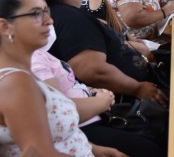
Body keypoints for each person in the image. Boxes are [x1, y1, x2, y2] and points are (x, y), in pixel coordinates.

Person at [0, 0, 123, 156]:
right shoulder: (16, 83)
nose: (49, 20)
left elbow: (45, 134)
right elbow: (38, 153)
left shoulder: (20, 72)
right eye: (36, 14)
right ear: (5, 26)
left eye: (46, 11)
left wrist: (92, 149)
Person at [28, 0, 167, 106]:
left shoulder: (60, 12)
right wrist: (137, 88)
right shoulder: (72, 19)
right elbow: (93, 71)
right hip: (119, 101)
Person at [30, 25, 163, 157]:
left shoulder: (38, 53)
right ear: (9, 25)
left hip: (94, 115)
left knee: (159, 128)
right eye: (36, 13)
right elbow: (58, 111)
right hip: (85, 124)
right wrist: (102, 101)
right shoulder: (32, 61)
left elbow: (69, 86)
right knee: (151, 148)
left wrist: (93, 92)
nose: (49, 20)